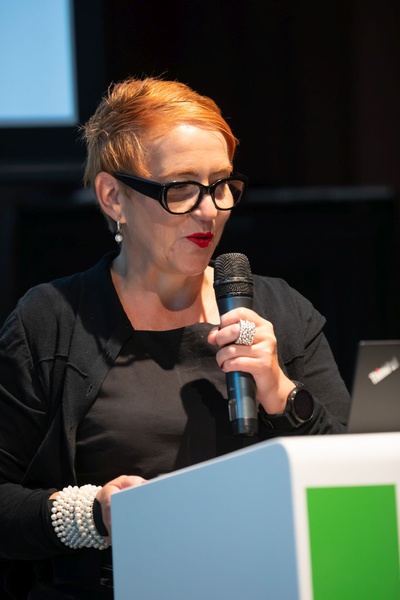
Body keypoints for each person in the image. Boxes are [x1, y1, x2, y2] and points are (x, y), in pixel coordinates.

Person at [0, 75, 351, 599]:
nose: (210, 210)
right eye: (181, 188)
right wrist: (92, 513)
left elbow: (353, 482)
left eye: (221, 185)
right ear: (114, 197)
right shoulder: (51, 321)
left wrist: (282, 393)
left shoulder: (281, 310)